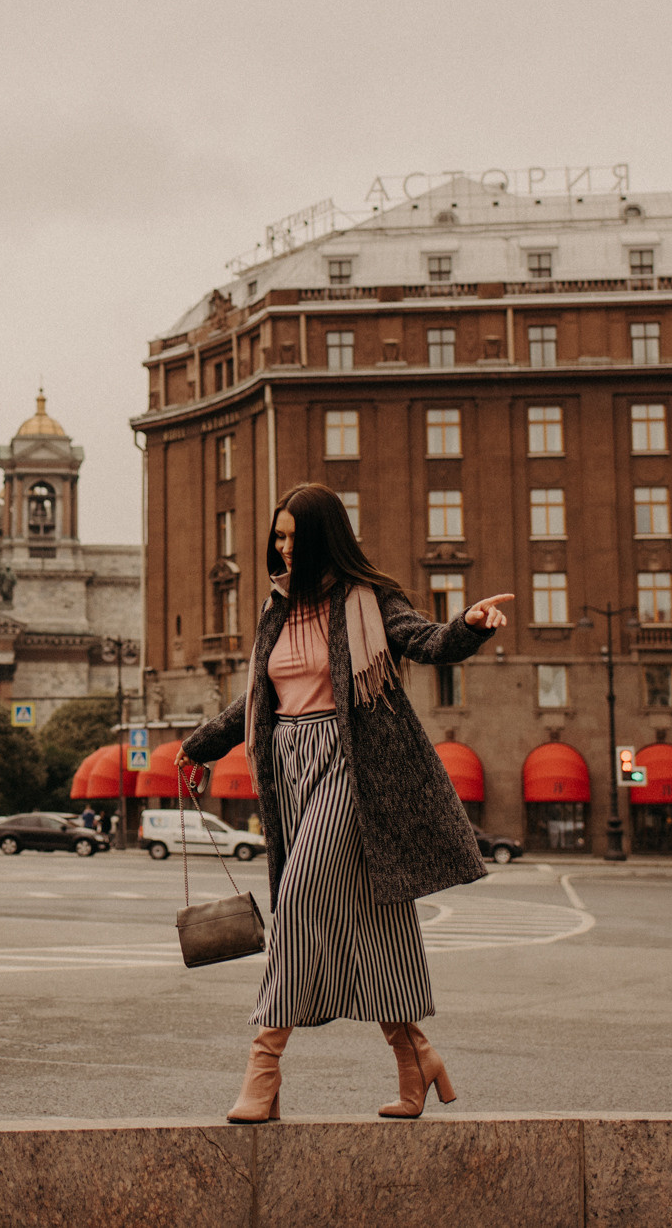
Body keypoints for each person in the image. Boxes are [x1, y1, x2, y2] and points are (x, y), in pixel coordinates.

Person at [176, 482, 510, 1125]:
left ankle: (263, 1067)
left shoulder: (369, 598)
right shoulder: (274, 609)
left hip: (353, 765)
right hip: (290, 768)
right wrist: (201, 745)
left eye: (294, 538)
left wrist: (467, 626)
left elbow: (424, 640)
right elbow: (260, 700)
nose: (282, 549)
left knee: (299, 896)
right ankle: (416, 1056)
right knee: (377, 923)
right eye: (277, 538)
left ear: (325, 538)